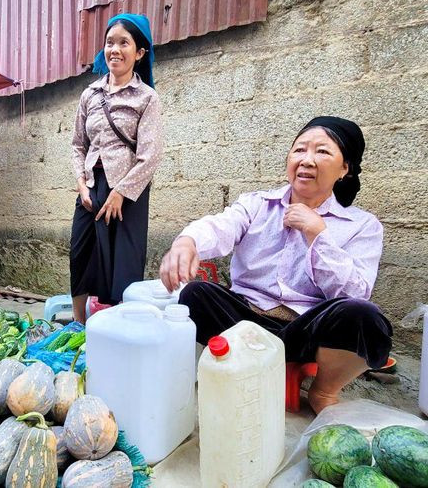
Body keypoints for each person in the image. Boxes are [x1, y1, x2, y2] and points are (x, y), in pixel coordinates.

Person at [160, 116, 392, 413]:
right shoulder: (258, 204)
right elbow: (222, 226)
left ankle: (324, 391)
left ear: (345, 168)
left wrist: (317, 235)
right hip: (242, 323)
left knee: (364, 317)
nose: (307, 160)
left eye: (322, 152)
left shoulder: (362, 225)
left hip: (306, 329)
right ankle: (234, 370)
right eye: (299, 150)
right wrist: (187, 242)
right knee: (195, 294)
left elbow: (355, 292)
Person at [69, 13, 163, 322]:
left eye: (124, 43)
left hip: (130, 189)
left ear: (139, 53)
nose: (115, 50)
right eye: (110, 42)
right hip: (93, 185)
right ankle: (80, 323)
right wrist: (82, 184)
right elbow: (78, 145)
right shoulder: (90, 95)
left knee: (124, 260)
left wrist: (121, 192)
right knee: (81, 251)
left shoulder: (146, 97)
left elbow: (150, 155)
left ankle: (123, 324)